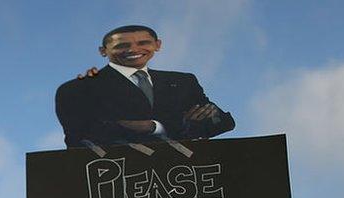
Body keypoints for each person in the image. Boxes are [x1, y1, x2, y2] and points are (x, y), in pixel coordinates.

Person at [55, 24, 235, 147]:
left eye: (143, 43)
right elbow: (80, 137)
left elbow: (222, 123)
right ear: (103, 51)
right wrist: (180, 124)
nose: (133, 50)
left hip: (183, 179)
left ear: (157, 45)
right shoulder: (76, 89)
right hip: (117, 182)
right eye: (122, 45)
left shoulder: (183, 82)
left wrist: (153, 126)